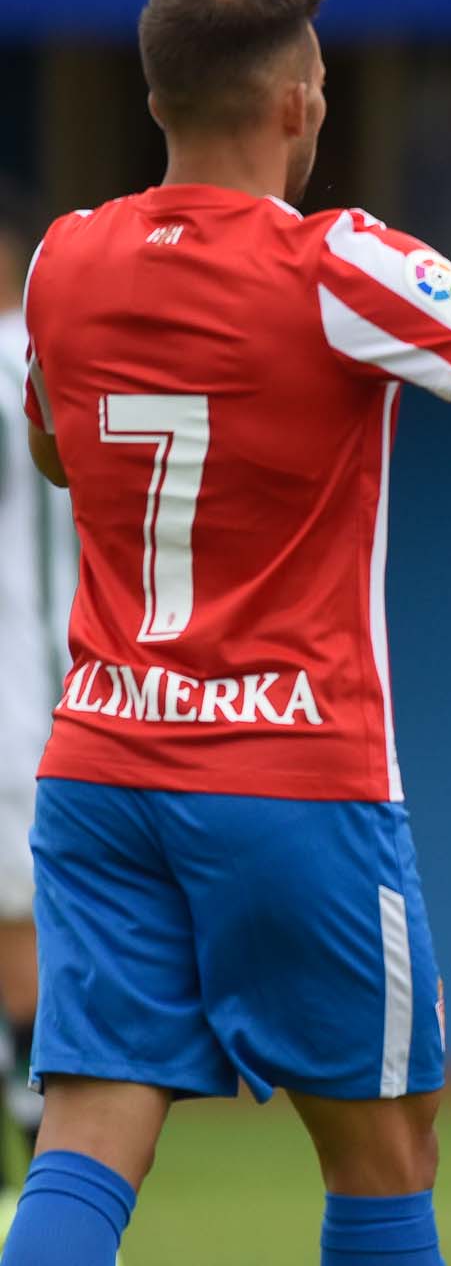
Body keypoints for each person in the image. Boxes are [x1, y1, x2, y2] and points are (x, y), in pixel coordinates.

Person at [3, 0, 451, 1266]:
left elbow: (61, 449)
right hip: (291, 778)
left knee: (90, 1129)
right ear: (296, 100)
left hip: (103, 762)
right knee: (385, 1154)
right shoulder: (338, 261)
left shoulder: (65, 258)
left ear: (160, 96)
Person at [0, 186, 70, 1209]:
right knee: (24, 932)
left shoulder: (24, 344)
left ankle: (41, 1165)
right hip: (42, 687)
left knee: (24, 930)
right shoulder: (49, 345)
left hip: (31, 683)